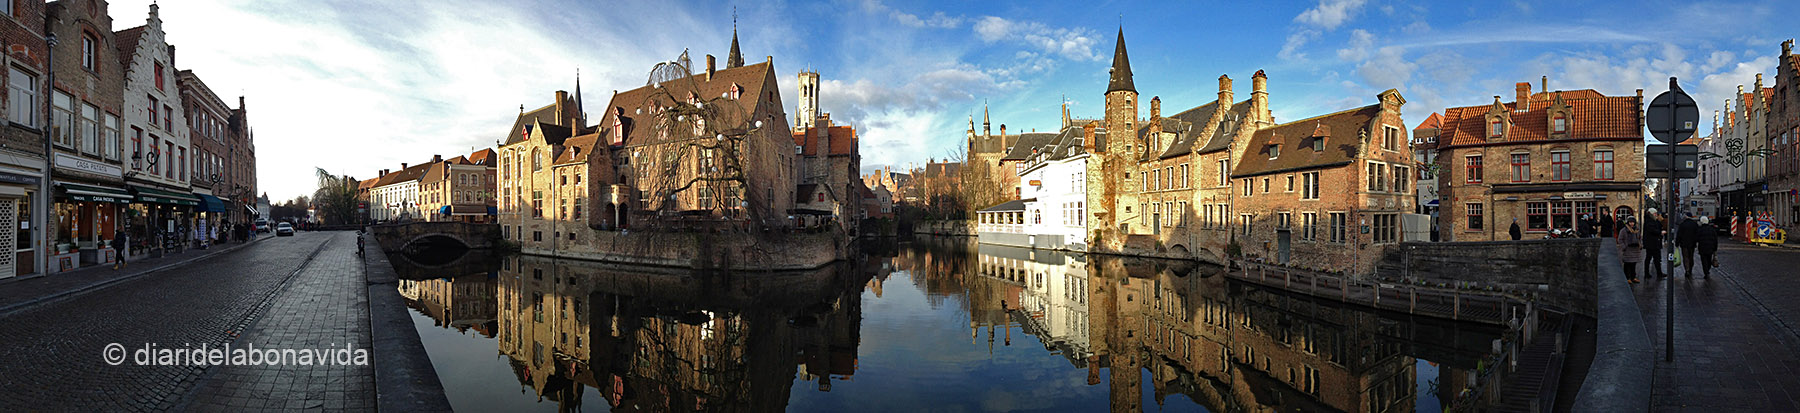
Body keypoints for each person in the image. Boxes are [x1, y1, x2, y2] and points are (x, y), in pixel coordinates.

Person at [1618, 217, 1643, 283]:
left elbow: (1640, 238)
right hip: (1627, 249)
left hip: (1635, 249)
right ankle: (1627, 278)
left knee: (1633, 264)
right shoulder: (1624, 230)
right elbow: (1620, 239)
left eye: (1633, 222)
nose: (1631, 224)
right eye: (1630, 222)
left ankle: (1633, 277)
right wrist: (1624, 247)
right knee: (1627, 264)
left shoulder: (1637, 230)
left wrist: (1640, 244)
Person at [1643, 209, 1665, 278]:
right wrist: (1660, 232)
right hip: (1651, 243)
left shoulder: (1653, 220)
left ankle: (1658, 273)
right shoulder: (1649, 221)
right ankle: (1648, 273)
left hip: (1654, 243)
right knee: (1651, 258)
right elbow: (1652, 230)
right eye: (1655, 213)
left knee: (1655, 258)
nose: (1656, 215)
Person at [1677, 213, 1700, 278]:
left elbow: (1679, 234)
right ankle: (1690, 269)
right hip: (1692, 244)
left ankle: (1687, 269)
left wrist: (1677, 243)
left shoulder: (1682, 224)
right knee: (1691, 256)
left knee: (1685, 257)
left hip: (1684, 244)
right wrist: (1696, 241)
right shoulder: (1694, 224)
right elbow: (1697, 234)